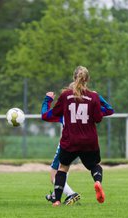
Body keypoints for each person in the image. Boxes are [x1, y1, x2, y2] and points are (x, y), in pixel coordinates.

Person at [42, 66, 107, 207]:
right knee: (94, 165)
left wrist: (47, 101)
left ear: (74, 78)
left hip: (70, 141)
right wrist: (98, 99)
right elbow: (98, 118)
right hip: (89, 141)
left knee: (63, 168)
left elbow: (50, 115)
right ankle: (97, 182)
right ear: (87, 79)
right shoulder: (93, 97)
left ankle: (57, 200)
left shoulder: (66, 96)